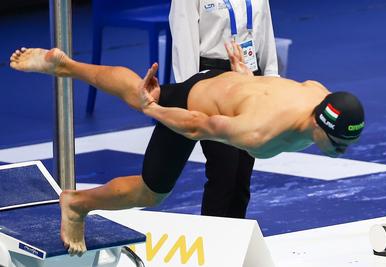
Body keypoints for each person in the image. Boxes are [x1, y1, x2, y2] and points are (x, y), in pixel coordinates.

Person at [9, 44, 364, 256]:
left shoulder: (321, 94)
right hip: (200, 106)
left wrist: (246, 80)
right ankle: (77, 203)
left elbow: (270, 91)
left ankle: (65, 64)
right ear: (318, 125)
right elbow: (198, 125)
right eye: (338, 146)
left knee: (150, 92)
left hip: (221, 85)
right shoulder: (260, 133)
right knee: (151, 191)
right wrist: (152, 110)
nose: (343, 152)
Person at [169, 0, 279, 218]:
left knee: (242, 176)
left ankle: (235, 244)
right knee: (223, 173)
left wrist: (272, 83)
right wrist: (188, 93)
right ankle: (214, 246)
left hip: (251, 79)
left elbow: (265, 30)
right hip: (213, 83)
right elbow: (183, 41)